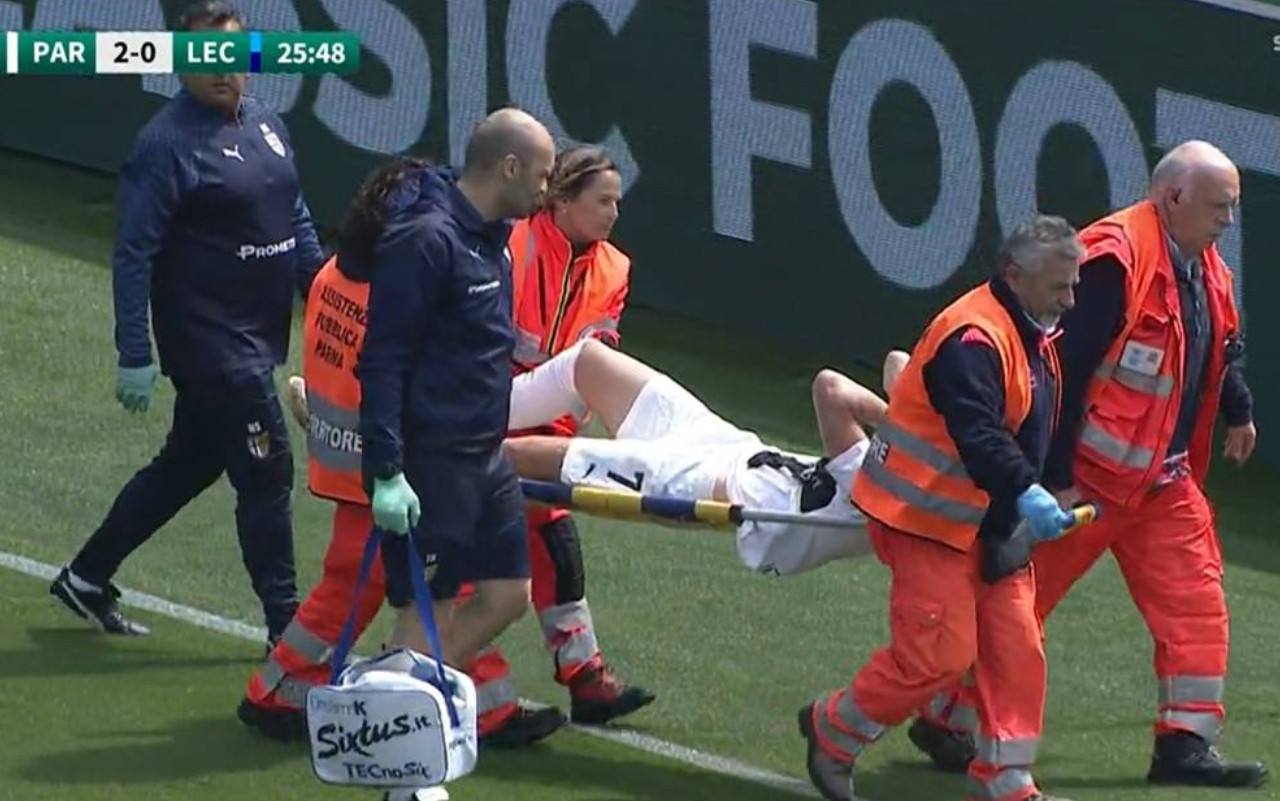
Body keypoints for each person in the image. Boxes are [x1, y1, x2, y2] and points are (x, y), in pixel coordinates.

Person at [907, 141, 1268, 789]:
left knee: (1196, 603)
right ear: (1173, 198)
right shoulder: (1114, 262)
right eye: (1219, 206)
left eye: (1232, 206)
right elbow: (1059, 372)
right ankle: (944, 717)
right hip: (1088, 481)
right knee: (1016, 607)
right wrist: (1053, 474)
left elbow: (1221, 344)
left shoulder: (1204, 267)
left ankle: (1185, 744)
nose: (1228, 220)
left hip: (1159, 481)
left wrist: (1236, 409)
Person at [50, 0, 326, 645]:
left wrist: (324, 290)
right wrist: (134, 352)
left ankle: (86, 577)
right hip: (211, 345)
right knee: (267, 473)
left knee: (188, 465)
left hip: (257, 335)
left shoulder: (267, 123)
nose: (222, 70)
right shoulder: (166, 145)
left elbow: (294, 213)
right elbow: (134, 253)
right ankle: (286, 631)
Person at [797, 216, 1082, 801]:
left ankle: (1008, 781)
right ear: (1015, 275)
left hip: (988, 526)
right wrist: (1028, 491)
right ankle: (834, 730)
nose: (1070, 300)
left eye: (1072, 284)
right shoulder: (973, 339)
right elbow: (979, 434)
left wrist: (1043, 490)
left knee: (1018, 652)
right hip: (928, 522)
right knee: (937, 657)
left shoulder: (1027, 330)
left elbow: (1034, 421)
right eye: (1060, 286)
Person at [357, 107, 557, 710]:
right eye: (543, 176)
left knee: (508, 594)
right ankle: (395, 727)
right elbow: (383, 359)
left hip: (485, 458)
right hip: (431, 461)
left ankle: (393, 697)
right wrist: (387, 471)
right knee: (427, 609)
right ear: (510, 167)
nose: (548, 190)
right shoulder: (425, 240)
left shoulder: (494, 239)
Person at [463, 145, 653, 745]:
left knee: (555, 544)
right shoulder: (513, 243)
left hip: (551, 426)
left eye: (617, 202)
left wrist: (566, 430)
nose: (614, 213)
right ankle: (487, 704)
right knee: (467, 562)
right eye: (603, 201)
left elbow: (598, 355)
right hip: (485, 413)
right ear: (563, 201)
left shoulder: (615, 269)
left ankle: (585, 675)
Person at [237, 155, 430, 745]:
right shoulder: (391, 300)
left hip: (346, 458)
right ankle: (278, 688)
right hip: (379, 465)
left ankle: (286, 684)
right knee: (383, 585)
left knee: (383, 583)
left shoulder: (333, 276)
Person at [500, 341, 904, 575]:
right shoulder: (909, 456)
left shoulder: (890, 485)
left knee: (538, 459)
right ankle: (471, 414)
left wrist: (902, 425)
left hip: (708, 485)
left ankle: (459, 459)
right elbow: (897, 362)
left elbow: (830, 389)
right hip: (733, 447)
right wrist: (909, 420)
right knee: (589, 362)